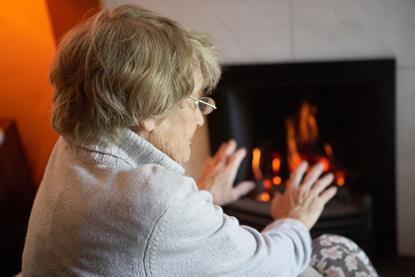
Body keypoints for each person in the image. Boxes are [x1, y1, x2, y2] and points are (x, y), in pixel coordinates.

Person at [22, 4, 377, 277]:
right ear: (148, 110)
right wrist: (295, 217)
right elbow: (268, 266)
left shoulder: (73, 146)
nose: (201, 115)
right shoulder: (154, 199)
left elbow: (143, 239)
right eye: (195, 100)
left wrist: (201, 196)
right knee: (337, 248)